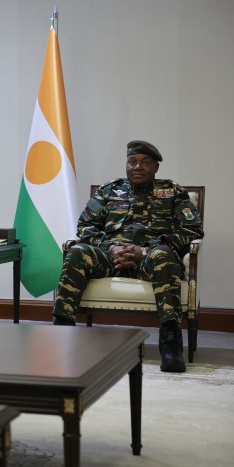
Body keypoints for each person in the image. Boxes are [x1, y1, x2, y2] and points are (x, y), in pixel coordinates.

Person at [52, 140, 204, 373]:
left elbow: (192, 230)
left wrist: (145, 250)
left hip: (150, 260)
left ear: (155, 168)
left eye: (145, 162)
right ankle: (63, 333)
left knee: (162, 256)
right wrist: (111, 247)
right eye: (132, 162)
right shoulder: (109, 190)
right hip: (110, 258)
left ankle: (171, 344)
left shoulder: (172, 192)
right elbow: (85, 226)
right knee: (76, 252)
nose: (137, 167)